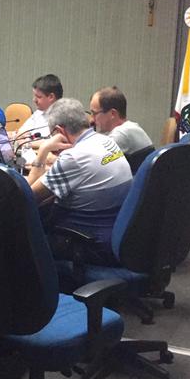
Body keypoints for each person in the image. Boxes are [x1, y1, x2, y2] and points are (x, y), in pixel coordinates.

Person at [28, 97, 131, 266]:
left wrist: (43, 150)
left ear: (59, 131)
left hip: (85, 243)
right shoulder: (105, 141)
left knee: (19, 233)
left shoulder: (74, 157)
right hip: (114, 232)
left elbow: (28, 197)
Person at [90, 86, 154, 155]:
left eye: (94, 113)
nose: (92, 119)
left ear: (112, 114)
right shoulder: (130, 128)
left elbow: (91, 157)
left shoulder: (121, 134)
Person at [14, 74, 63, 141]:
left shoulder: (63, 117)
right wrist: (21, 137)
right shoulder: (38, 113)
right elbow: (21, 133)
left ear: (51, 97)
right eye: (34, 96)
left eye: (38, 97)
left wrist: (27, 142)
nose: (34, 100)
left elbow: (51, 143)